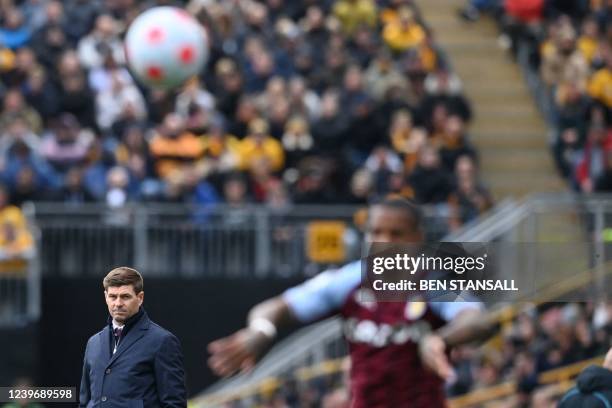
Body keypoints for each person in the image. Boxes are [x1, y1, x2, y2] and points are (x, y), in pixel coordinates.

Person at [208, 198, 493, 407]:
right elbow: (274, 307)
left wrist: (440, 340)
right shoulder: (348, 281)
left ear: (417, 239)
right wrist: (261, 331)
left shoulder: (432, 284)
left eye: (396, 234)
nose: (384, 242)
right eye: (376, 232)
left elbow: (477, 319)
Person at [79, 267, 186, 408]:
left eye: (125, 296)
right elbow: (85, 401)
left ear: (140, 298)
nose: (117, 303)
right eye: (112, 296)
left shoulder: (162, 341)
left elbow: (174, 404)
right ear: (105, 297)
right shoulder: (93, 343)